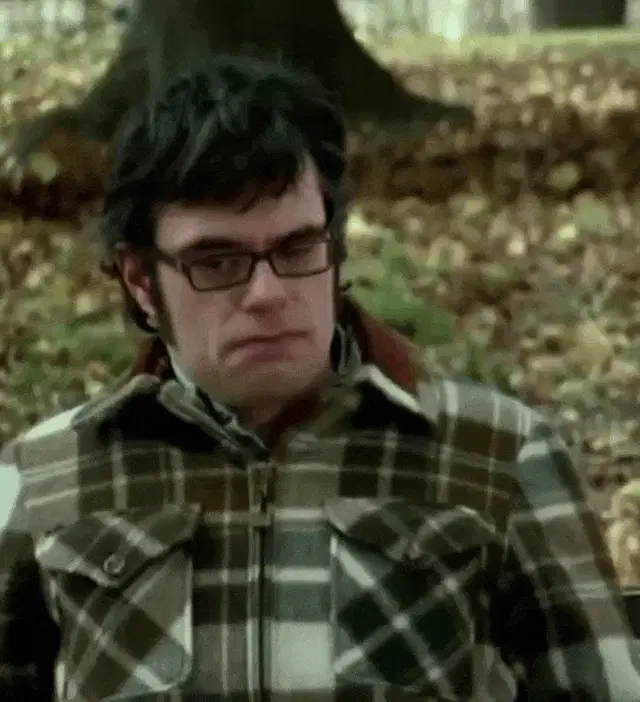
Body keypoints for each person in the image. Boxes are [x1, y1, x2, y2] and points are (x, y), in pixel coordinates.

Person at [0, 54, 638, 702]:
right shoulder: (42, 480)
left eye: (298, 248)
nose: (268, 294)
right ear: (141, 280)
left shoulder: (497, 453)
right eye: (217, 262)